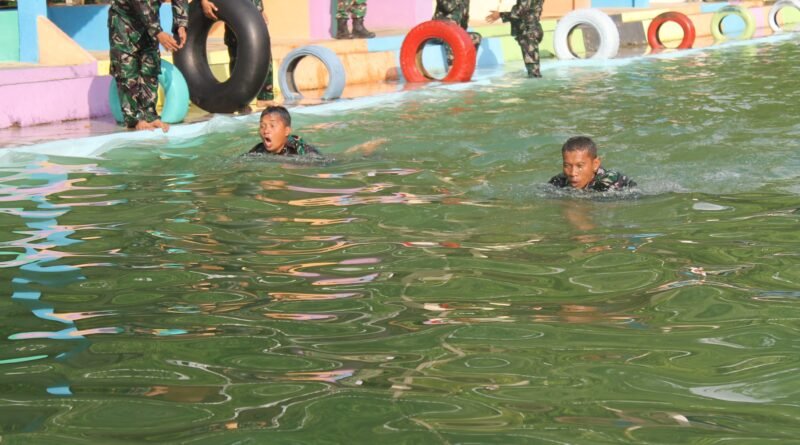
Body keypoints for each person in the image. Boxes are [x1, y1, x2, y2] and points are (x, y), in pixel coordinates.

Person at [109, 0, 187, 132]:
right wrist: (158, 32)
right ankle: (135, 119)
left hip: (149, 22)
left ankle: (150, 115)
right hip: (124, 19)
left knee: (150, 66)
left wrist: (181, 25)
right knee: (127, 69)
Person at [200, 0, 274, 111]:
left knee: (261, 47)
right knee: (238, 54)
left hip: (251, 9)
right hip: (233, 8)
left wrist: (259, 9)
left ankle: (265, 97)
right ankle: (240, 102)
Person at [549, 136, 636, 191]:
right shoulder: (559, 181)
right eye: (567, 166)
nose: (572, 173)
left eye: (580, 166)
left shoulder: (610, 183)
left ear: (595, 164)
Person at [486, 0, 544, 78]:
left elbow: (518, 12)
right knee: (534, 67)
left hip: (528, 32)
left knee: (533, 71)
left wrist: (500, 15)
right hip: (533, 30)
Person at [247, 106, 322, 156]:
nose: (266, 131)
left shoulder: (300, 150)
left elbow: (322, 166)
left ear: (287, 131)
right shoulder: (259, 149)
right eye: (262, 126)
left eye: (272, 126)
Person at [433, 0, 482, 66]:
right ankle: (452, 67)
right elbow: (448, 8)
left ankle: (468, 66)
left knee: (477, 37)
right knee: (451, 35)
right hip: (439, 32)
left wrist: (462, 33)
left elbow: (464, 23)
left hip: (454, 33)